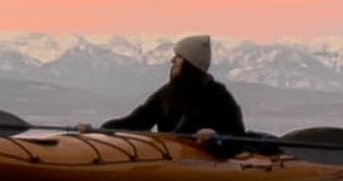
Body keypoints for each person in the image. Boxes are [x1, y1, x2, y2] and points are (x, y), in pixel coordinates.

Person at [82, 35, 246, 149]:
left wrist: (215, 135)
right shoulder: (167, 93)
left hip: (204, 157)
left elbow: (237, 134)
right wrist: (100, 130)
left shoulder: (218, 95)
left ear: (190, 64)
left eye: (178, 58)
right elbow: (138, 121)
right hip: (170, 153)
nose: (172, 61)